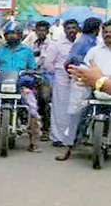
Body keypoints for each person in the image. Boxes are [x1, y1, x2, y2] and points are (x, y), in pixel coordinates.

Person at [0, 21, 40, 152]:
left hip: (20, 85)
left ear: (20, 35)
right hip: (1, 85)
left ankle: (33, 142)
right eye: (8, 34)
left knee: (32, 108)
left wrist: (31, 72)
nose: (11, 36)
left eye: (14, 34)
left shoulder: (27, 51)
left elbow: (32, 68)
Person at [58, 17, 102, 161]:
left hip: (95, 80)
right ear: (97, 29)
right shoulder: (85, 42)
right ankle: (69, 146)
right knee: (76, 112)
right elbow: (70, 62)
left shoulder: (95, 43)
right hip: (82, 80)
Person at [45, 19, 79, 146]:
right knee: (60, 109)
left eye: (74, 28)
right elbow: (49, 63)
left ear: (78, 29)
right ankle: (57, 138)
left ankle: (73, 137)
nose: (71, 30)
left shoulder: (80, 44)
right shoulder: (57, 44)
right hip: (61, 80)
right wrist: (59, 74)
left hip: (78, 81)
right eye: (69, 28)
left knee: (75, 109)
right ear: (64, 30)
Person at [24, 21, 53, 142]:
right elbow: (22, 49)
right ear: (35, 31)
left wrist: (32, 65)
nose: (41, 33)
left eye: (43, 30)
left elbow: (43, 59)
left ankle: (45, 130)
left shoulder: (51, 44)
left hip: (43, 74)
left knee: (43, 99)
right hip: (28, 73)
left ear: (47, 32)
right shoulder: (30, 41)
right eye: (38, 30)